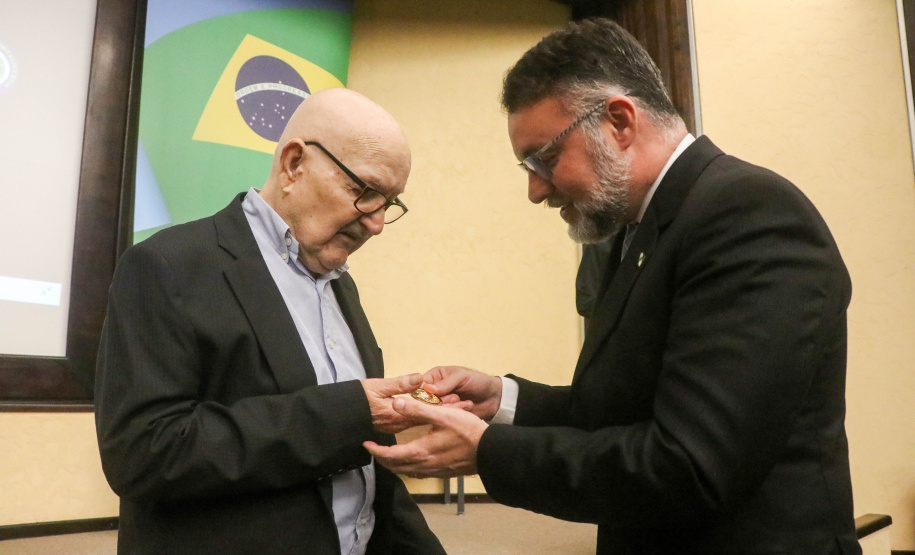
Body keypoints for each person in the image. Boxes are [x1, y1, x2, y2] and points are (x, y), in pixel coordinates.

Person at [365, 18, 861, 555]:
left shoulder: (749, 215)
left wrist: (488, 452)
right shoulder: (636, 232)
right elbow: (621, 413)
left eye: (545, 159)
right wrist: (502, 401)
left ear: (619, 121)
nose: (535, 190)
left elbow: (687, 465)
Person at [94, 88, 446, 555]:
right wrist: (351, 411)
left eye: (390, 203)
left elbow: (362, 470)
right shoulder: (167, 265)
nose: (377, 223)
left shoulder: (340, 283)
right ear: (294, 163)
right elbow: (144, 453)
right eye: (365, 193)